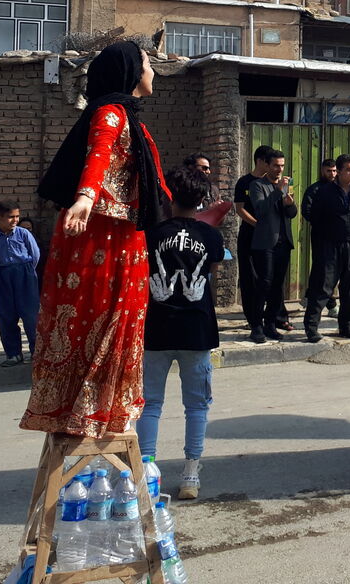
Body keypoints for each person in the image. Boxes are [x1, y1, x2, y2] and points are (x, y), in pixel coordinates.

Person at [22, 41, 170, 437]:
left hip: (122, 234)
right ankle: (90, 408)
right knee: (100, 320)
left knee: (116, 321)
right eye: (147, 64)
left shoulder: (126, 115)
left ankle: (99, 406)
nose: (152, 71)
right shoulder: (111, 114)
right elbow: (98, 155)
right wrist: (86, 197)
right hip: (106, 238)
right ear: (131, 73)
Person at [138, 165, 224, 501]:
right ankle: (191, 471)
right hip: (197, 329)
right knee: (197, 405)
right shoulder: (212, 236)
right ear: (202, 199)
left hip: (155, 328)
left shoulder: (151, 234)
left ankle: (146, 470)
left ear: (169, 197)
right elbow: (210, 277)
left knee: (150, 403)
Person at [305, 154, 350, 342]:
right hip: (331, 245)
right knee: (322, 286)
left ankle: (346, 325)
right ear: (340, 171)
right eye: (348, 169)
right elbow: (315, 217)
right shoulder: (325, 191)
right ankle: (311, 328)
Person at [246, 149, 296, 343]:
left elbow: (291, 213)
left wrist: (289, 203)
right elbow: (260, 210)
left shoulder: (286, 185)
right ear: (267, 166)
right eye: (276, 165)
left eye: (282, 166)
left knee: (277, 286)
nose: (279, 169)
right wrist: (277, 192)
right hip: (265, 242)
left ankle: (271, 324)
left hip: (284, 242)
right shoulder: (257, 185)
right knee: (264, 283)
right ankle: (256, 326)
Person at [0, 201, 41, 366]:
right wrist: (5, 271)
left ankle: (36, 353)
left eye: (17, 216)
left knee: (31, 316)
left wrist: (26, 273)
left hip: (25, 275)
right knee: (6, 316)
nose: (15, 220)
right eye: (11, 217)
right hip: (4, 276)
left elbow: (35, 255)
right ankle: (13, 354)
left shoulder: (24, 234)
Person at [302, 159, 340, 322]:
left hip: (338, 238)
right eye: (328, 171)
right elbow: (307, 211)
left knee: (335, 270)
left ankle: (325, 301)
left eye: (334, 171)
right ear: (322, 171)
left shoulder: (341, 189)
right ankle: (323, 301)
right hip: (320, 236)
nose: (332, 174)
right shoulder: (314, 190)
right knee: (321, 268)